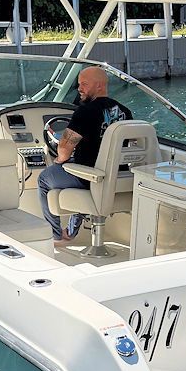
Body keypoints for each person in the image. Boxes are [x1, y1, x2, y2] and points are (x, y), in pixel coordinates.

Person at [37, 66, 132, 244]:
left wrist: (58, 161)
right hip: (118, 177)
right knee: (75, 169)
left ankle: (56, 235)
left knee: (44, 179)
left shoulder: (85, 111)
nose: (79, 88)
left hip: (90, 177)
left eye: (84, 84)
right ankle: (71, 230)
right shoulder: (125, 112)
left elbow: (64, 149)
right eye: (79, 84)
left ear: (99, 86)